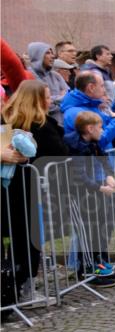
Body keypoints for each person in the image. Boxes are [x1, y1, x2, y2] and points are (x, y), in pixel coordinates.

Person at [0, 80, 68, 299]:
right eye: (47, 97)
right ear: (37, 100)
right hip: (27, 189)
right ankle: (23, 288)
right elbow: (60, 151)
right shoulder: (40, 124)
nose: (50, 101)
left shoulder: (5, 119)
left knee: (13, 236)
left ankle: (10, 287)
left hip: (9, 188)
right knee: (28, 238)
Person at [65, 110, 115, 287]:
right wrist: (100, 187)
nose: (102, 130)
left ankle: (100, 261)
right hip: (79, 193)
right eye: (100, 127)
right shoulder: (75, 146)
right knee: (88, 231)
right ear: (90, 128)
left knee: (109, 221)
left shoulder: (92, 141)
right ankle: (88, 270)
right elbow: (79, 175)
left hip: (94, 188)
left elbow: (103, 157)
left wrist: (109, 175)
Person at [60, 71, 115, 150]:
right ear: (91, 88)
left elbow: (104, 124)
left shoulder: (91, 105)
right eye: (102, 86)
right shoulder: (76, 113)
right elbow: (100, 140)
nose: (104, 90)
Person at [26, 43, 69, 111]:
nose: (53, 56)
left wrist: (53, 99)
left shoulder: (56, 75)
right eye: (47, 53)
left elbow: (70, 97)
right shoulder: (29, 75)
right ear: (37, 55)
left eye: (52, 53)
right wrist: (61, 98)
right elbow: (40, 103)